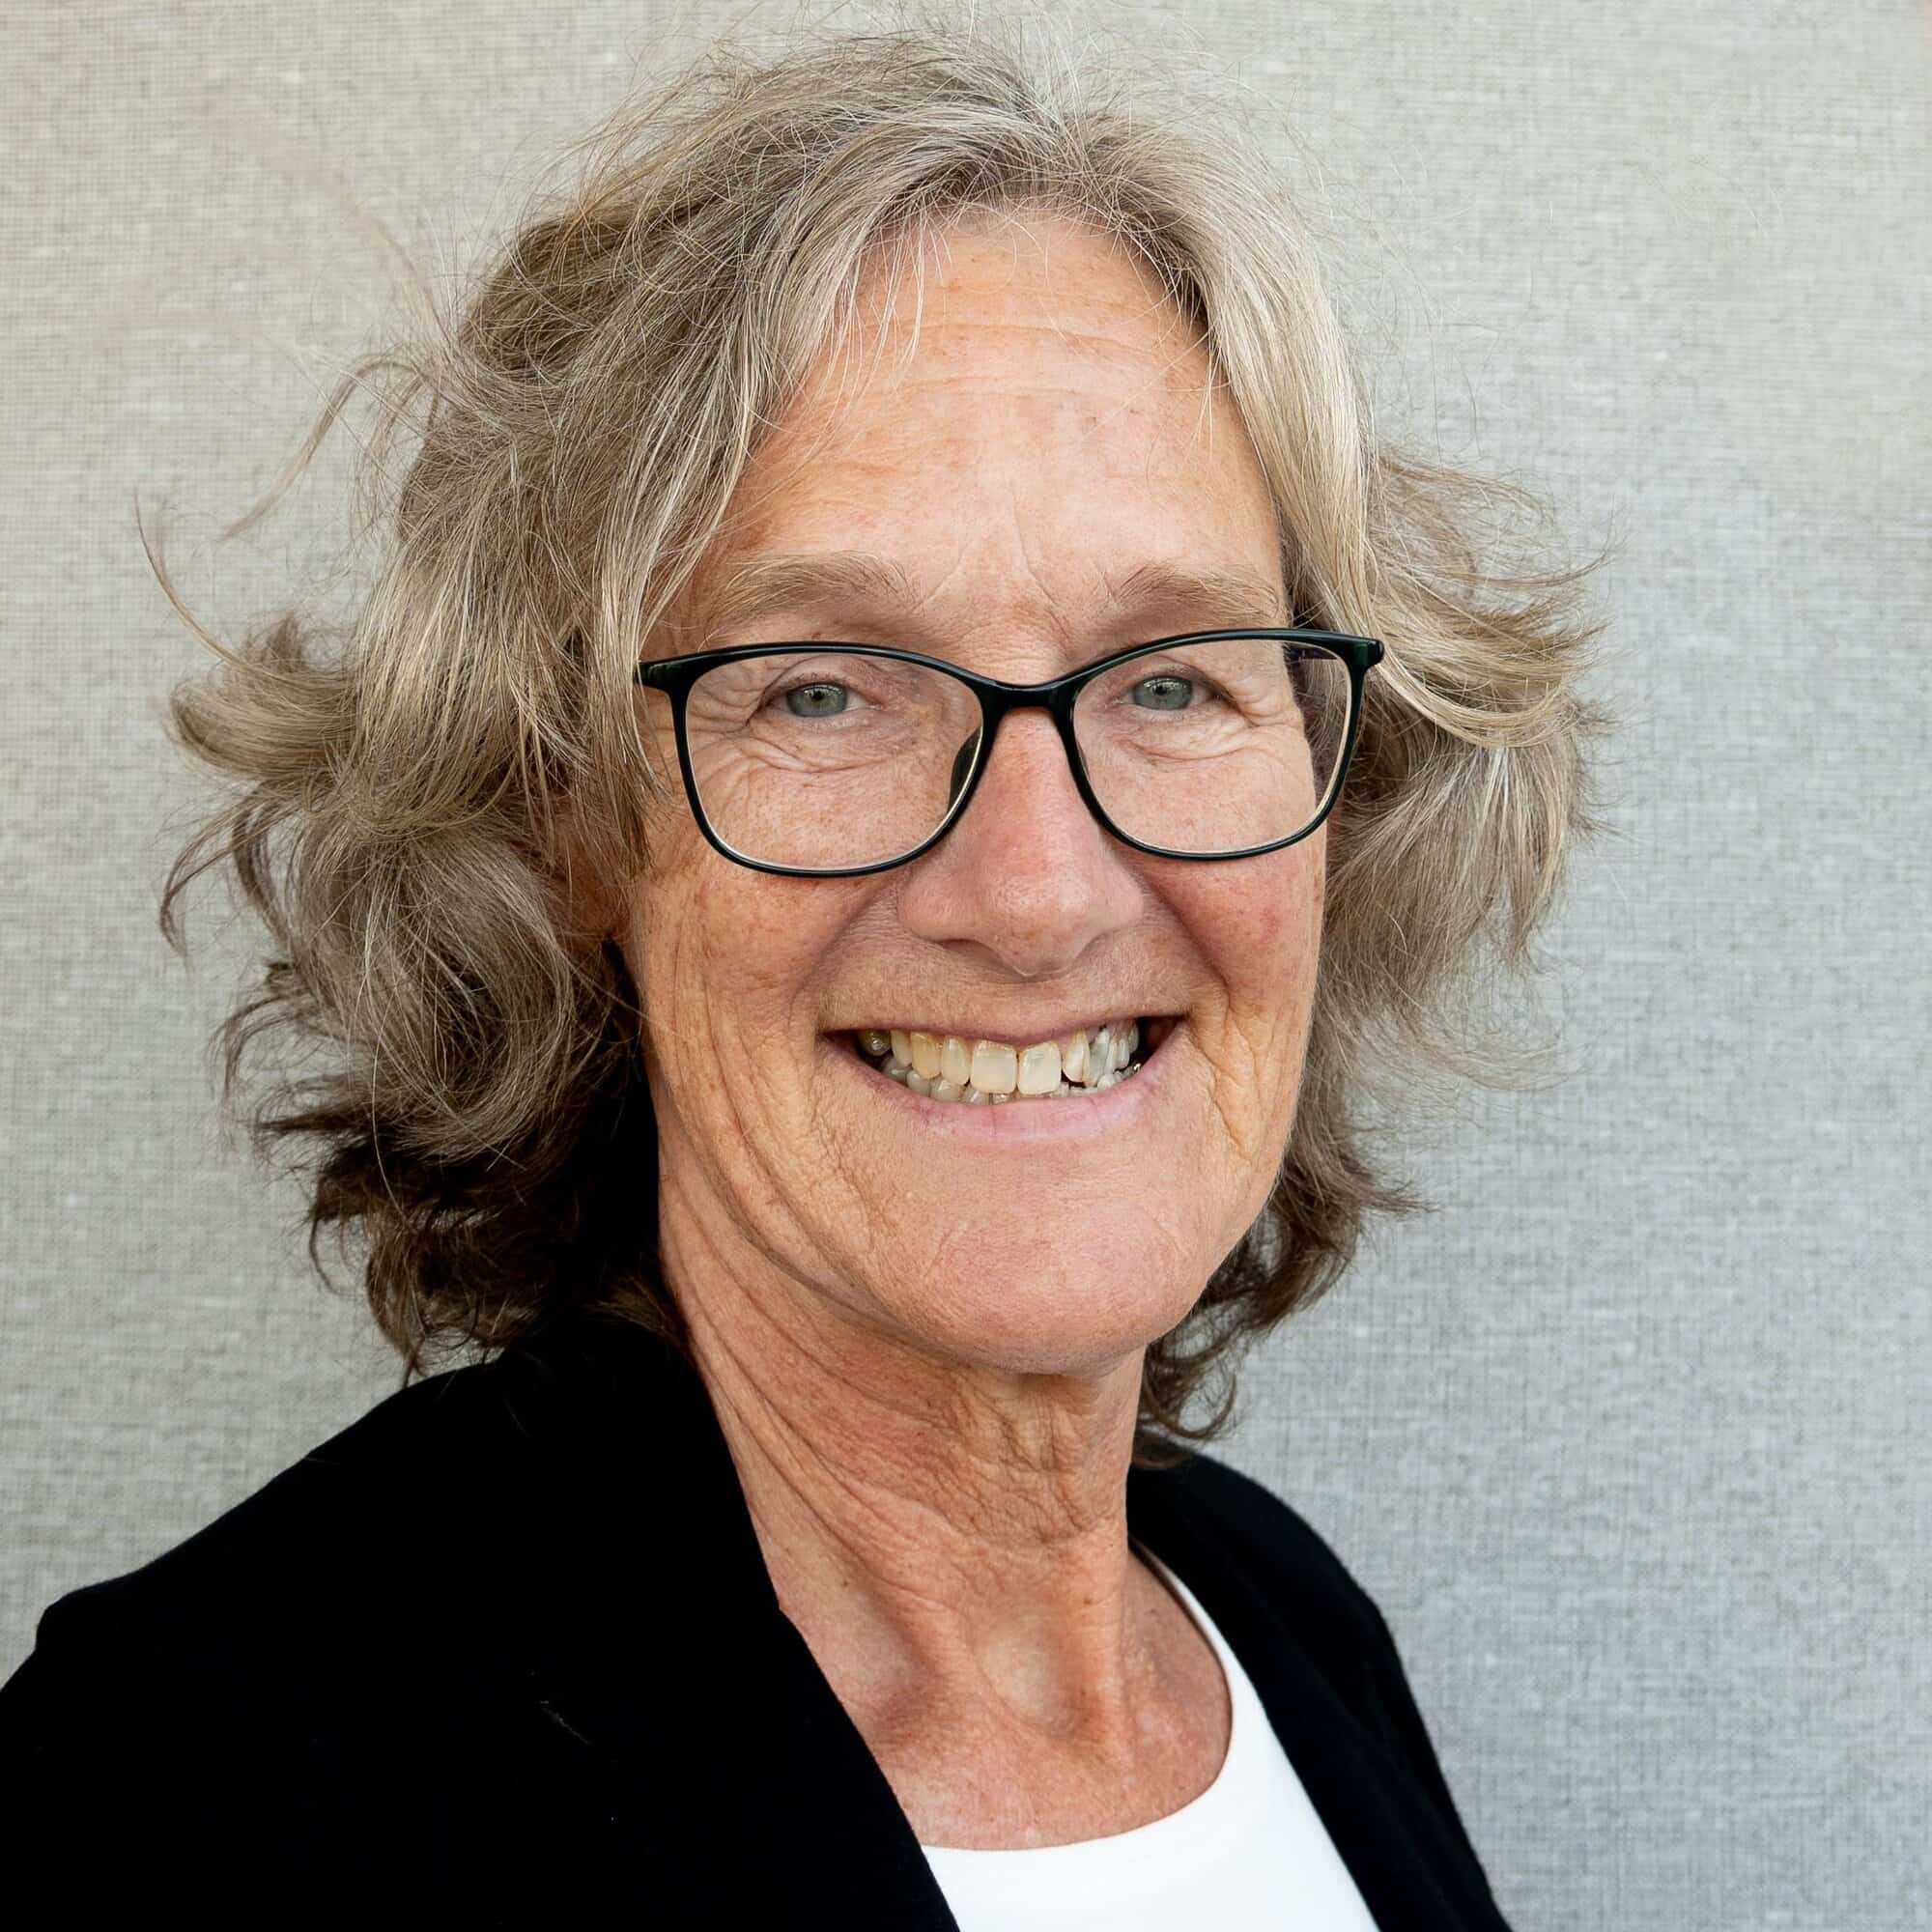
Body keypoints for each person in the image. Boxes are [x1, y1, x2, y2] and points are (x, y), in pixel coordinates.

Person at [0, 17, 1615, 1924]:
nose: (1036, 891)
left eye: (1177, 678)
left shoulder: (1276, 1619)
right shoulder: (196, 1792)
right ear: (563, 823)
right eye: (825, 690)